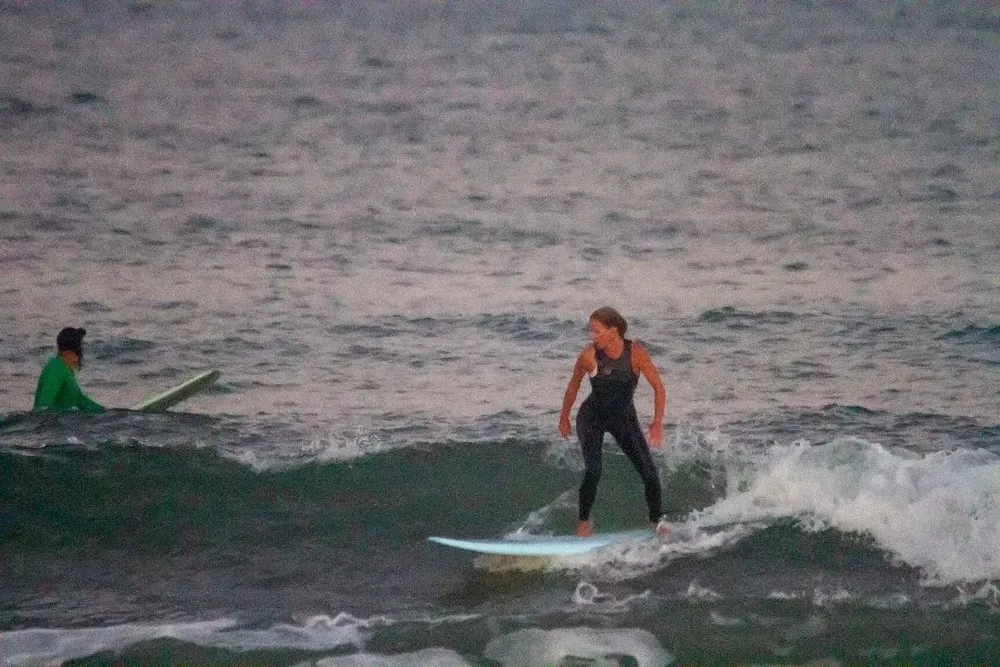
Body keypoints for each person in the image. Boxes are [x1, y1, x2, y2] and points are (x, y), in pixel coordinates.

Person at [559, 307, 669, 537]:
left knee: (649, 473)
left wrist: (657, 423)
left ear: (613, 330)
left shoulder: (636, 353)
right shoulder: (588, 356)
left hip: (623, 419)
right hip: (592, 418)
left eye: (597, 331)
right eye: (591, 331)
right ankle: (583, 522)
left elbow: (659, 388)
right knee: (593, 470)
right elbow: (573, 387)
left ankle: (656, 521)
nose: (593, 336)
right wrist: (564, 417)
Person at [33, 327, 105, 413]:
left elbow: (79, 400)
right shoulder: (56, 368)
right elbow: (43, 407)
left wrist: (104, 412)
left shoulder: (66, 370)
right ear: (74, 350)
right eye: (81, 347)